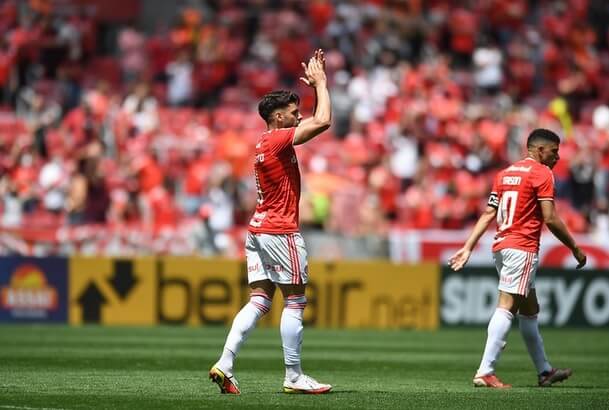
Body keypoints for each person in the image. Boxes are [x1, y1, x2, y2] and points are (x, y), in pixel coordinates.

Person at [209, 49, 332, 395]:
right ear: (278, 118)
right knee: (294, 301)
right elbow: (323, 121)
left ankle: (226, 362)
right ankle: (294, 375)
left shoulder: (264, 142)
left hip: (257, 229)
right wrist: (322, 83)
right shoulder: (278, 140)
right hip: (280, 230)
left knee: (260, 300)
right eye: (293, 113)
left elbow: (312, 121)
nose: (299, 116)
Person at [448, 128, 587, 389]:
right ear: (539, 150)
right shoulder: (543, 173)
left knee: (529, 310)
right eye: (554, 152)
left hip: (501, 246)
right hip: (521, 247)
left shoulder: (505, 174)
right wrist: (574, 247)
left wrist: (468, 247)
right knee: (507, 306)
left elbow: (489, 214)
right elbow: (550, 217)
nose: (557, 157)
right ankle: (485, 371)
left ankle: (544, 371)